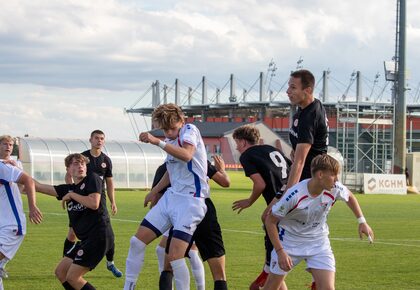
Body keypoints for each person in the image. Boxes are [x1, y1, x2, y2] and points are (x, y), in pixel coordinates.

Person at [124, 103, 209, 290]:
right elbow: (171, 172)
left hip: (191, 201)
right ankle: (128, 288)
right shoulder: (171, 141)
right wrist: (153, 192)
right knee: (136, 242)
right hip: (171, 198)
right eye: (165, 130)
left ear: (181, 120)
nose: (169, 133)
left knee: (175, 257)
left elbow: (187, 155)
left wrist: (157, 142)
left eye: (172, 128)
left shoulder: (189, 130)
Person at [263, 154, 374, 290]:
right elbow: (270, 221)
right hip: (289, 242)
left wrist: (362, 221)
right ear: (320, 174)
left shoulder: (334, 188)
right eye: (333, 175)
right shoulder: (294, 194)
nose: (336, 180)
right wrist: (280, 252)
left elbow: (349, 196)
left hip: (318, 243)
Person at [35, 153, 113, 290]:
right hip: (85, 240)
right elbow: (38, 186)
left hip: (99, 237)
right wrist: (15, 172)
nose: (80, 166)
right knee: (61, 272)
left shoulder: (92, 179)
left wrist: (72, 195)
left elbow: (94, 203)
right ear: (68, 170)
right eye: (76, 164)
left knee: (73, 277)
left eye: (82, 163)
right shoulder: (69, 189)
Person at [152, 155, 230, 290]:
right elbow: (225, 182)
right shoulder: (200, 161)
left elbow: (155, 202)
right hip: (204, 210)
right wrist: (221, 170)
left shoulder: (164, 168)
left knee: (168, 267)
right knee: (219, 274)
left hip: (180, 214)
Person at [231, 125, 291, 290]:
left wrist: (249, 201)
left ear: (243, 142)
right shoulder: (271, 148)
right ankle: (268, 271)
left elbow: (260, 183)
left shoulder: (247, 155)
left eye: (237, 143)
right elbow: (292, 169)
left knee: (269, 227)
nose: (236, 147)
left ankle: (266, 270)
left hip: (280, 203)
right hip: (294, 198)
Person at [63, 130, 122, 278]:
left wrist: (113, 201)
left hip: (97, 201)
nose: (99, 141)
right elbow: (69, 174)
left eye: (102, 138)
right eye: (96, 138)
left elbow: (109, 183)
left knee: (108, 231)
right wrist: (72, 191)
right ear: (90, 140)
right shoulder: (83, 157)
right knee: (72, 232)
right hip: (81, 200)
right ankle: (66, 259)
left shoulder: (106, 160)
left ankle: (110, 263)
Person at [0, 135, 43, 286]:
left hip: (11, 226)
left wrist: (32, 207)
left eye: (10, 144)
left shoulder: (5, 166)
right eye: (5, 144)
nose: (8, 147)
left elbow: (28, 182)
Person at [286, 69, 329, 188]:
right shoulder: (309, 106)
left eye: (293, 87)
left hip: (308, 182)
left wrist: (288, 195)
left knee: (277, 206)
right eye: (289, 87)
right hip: (305, 178)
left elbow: (299, 162)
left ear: (308, 90)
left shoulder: (309, 116)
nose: (288, 91)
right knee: (272, 207)